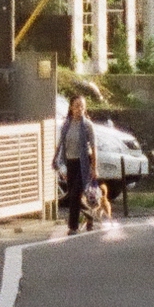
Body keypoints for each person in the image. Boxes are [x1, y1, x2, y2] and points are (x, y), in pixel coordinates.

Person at [55, 94, 100, 234]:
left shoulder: (87, 125)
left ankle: (73, 227)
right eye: (76, 106)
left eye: (82, 106)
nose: (79, 109)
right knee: (72, 195)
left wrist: (94, 167)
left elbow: (93, 147)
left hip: (83, 163)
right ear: (71, 107)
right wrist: (59, 163)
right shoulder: (66, 124)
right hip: (70, 163)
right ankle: (91, 216)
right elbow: (61, 145)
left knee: (75, 194)